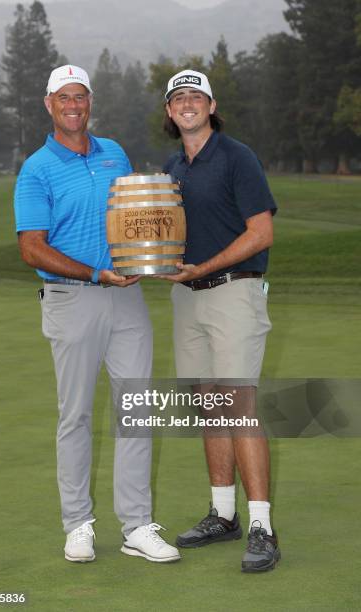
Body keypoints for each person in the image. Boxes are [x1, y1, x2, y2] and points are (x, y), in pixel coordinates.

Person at [13, 64, 180, 564]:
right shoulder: (36, 168)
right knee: (76, 416)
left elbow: (131, 220)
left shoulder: (115, 154)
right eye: (63, 97)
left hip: (127, 298)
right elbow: (31, 248)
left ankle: (136, 525)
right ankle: (78, 525)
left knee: (137, 410)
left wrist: (151, 256)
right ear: (49, 104)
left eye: (80, 96)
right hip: (72, 299)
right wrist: (93, 274)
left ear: (90, 102)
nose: (73, 105)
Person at [160, 69, 280, 572]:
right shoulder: (172, 167)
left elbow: (261, 232)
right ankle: (224, 514)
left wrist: (204, 267)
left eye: (196, 97)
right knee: (210, 408)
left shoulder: (237, 157)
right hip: (186, 299)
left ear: (211, 106)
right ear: (170, 112)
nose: (188, 104)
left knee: (239, 408)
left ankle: (261, 526)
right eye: (178, 98)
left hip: (234, 293)